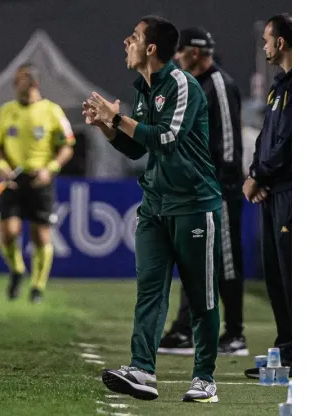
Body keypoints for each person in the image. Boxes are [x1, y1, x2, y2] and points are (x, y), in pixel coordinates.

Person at [83, 16, 222, 403]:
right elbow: (137, 148)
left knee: (201, 295)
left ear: (151, 49)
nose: (125, 43)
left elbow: (167, 139)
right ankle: (143, 370)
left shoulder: (182, 84)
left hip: (195, 205)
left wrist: (118, 118)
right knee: (149, 291)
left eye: (133, 38)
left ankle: (205, 378)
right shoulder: (144, 89)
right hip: (156, 205)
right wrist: (107, 128)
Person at [158, 27, 247, 357]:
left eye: (180, 51)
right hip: (199, 189)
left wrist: (221, 184)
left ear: (194, 52)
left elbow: (228, 144)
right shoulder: (195, 84)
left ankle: (235, 333)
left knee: (225, 261)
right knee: (194, 258)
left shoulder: (219, 84)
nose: (177, 57)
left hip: (219, 190)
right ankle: (185, 330)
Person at [0, 62, 75, 303]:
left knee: (41, 235)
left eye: (22, 80)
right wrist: (1, 166)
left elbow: (67, 146)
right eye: (17, 80)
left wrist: (51, 169)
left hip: (40, 179)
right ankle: (17, 270)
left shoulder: (52, 111)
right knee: (8, 232)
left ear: (34, 83)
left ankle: (38, 286)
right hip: (13, 178)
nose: (17, 84)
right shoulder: (6, 111)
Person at [242, 13, 292, 379]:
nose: (264, 45)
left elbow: (290, 143)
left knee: (294, 275)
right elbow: (265, 138)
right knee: (275, 274)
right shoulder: (279, 87)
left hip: (291, 192)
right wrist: (255, 175)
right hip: (272, 191)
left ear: (282, 42)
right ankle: (287, 351)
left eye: (267, 38)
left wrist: (259, 175)